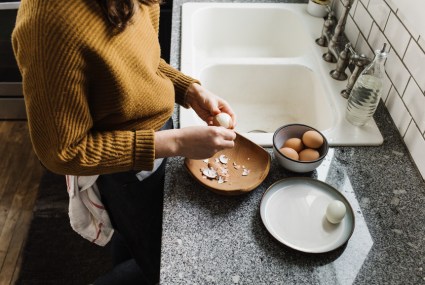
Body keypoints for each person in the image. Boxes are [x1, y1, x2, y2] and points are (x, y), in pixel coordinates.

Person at [12, 0, 237, 284]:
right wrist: (177, 142)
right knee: (158, 261)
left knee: (137, 238)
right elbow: (62, 152)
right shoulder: (49, 21)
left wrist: (189, 91)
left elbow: (140, 63)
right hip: (123, 166)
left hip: (157, 143)